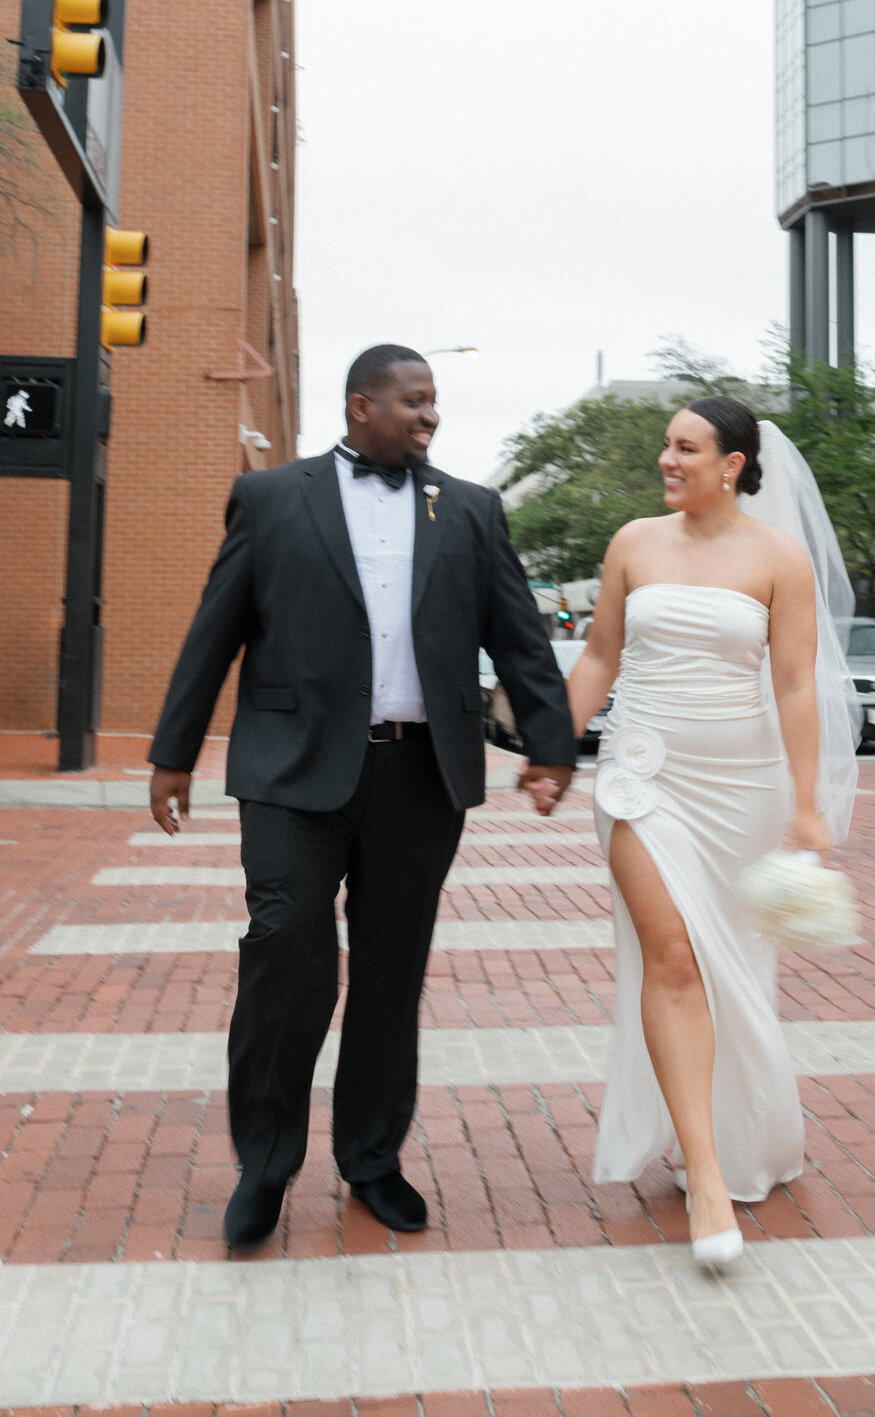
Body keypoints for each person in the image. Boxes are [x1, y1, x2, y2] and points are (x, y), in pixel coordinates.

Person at [148, 344, 575, 1249]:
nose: (430, 416)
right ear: (359, 406)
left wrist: (550, 744)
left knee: (390, 972)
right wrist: (173, 752)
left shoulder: (468, 507)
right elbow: (215, 626)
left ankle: (372, 1160)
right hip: (292, 770)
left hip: (421, 776)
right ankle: (263, 1166)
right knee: (284, 950)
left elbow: (519, 635)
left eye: (434, 403)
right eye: (413, 401)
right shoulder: (271, 499)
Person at [565, 396, 858, 1269]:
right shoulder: (633, 543)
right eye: (666, 445)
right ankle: (703, 1170)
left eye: (685, 447)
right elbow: (600, 655)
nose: (667, 459)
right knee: (673, 958)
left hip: (743, 790)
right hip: (642, 775)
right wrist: (550, 749)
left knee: (731, 971)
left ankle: (735, 1128)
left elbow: (798, 685)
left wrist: (806, 803)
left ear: (733, 464)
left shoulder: (778, 558)